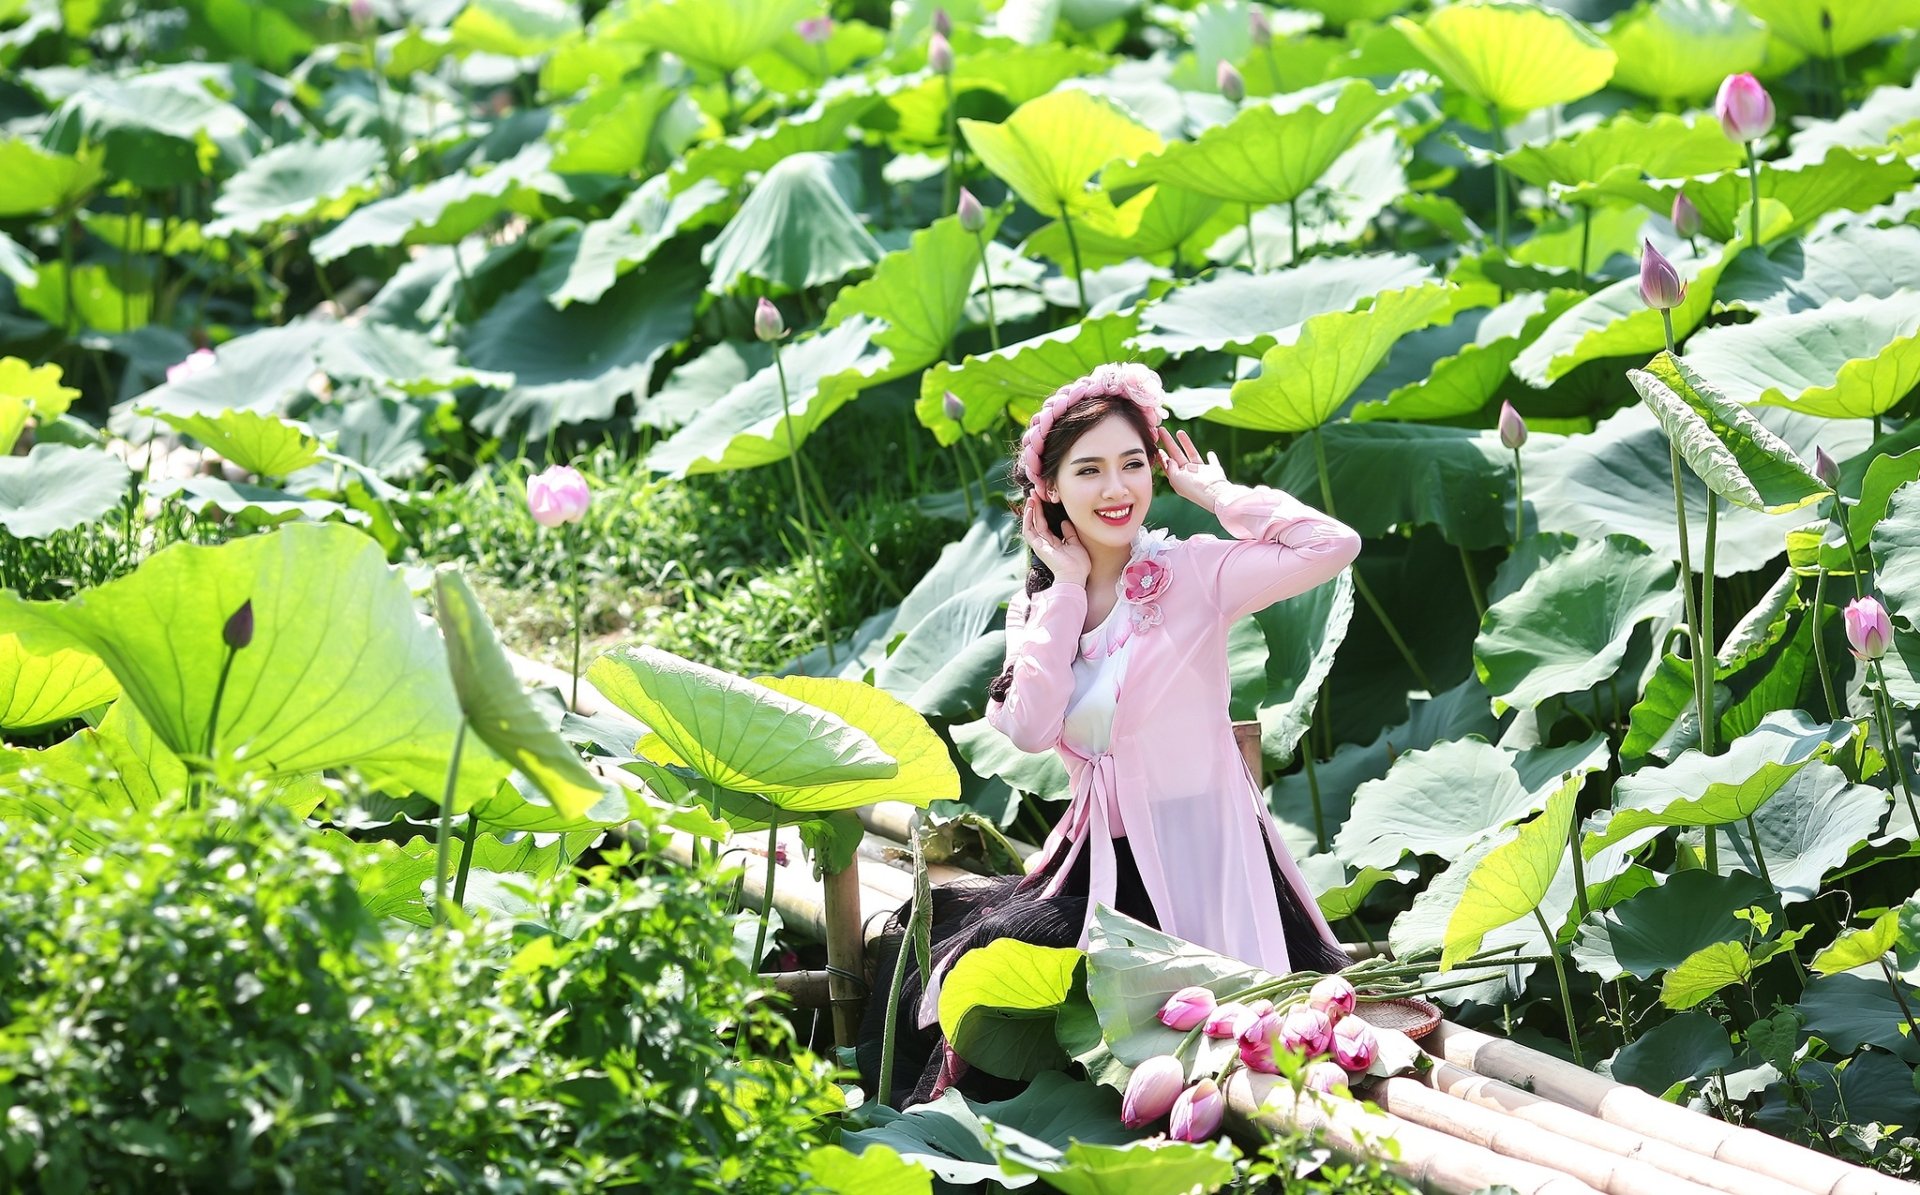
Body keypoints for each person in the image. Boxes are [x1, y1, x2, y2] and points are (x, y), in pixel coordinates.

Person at [857, 362, 1360, 1108]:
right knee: (976, 960)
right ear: (1050, 490)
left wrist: (1217, 495)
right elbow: (1028, 728)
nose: (1116, 488)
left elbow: (1332, 544)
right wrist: (1062, 590)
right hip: (1104, 866)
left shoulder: (1191, 574)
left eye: (1132, 464)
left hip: (1207, 856)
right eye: (1089, 469)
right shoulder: (1037, 607)